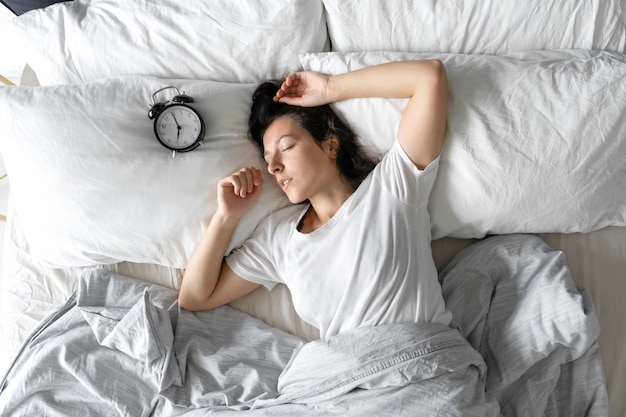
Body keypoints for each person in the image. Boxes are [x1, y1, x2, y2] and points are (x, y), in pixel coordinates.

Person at [178, 60, 453, 339]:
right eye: (267, 159)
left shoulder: (392, 187)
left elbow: (429, 77)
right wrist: (227, 217)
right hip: (347, 372)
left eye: (286, 147)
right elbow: (194, 298)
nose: (273, 166)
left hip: (422, 362)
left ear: (331, 145)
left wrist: (332, 88)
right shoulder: (279, 239)